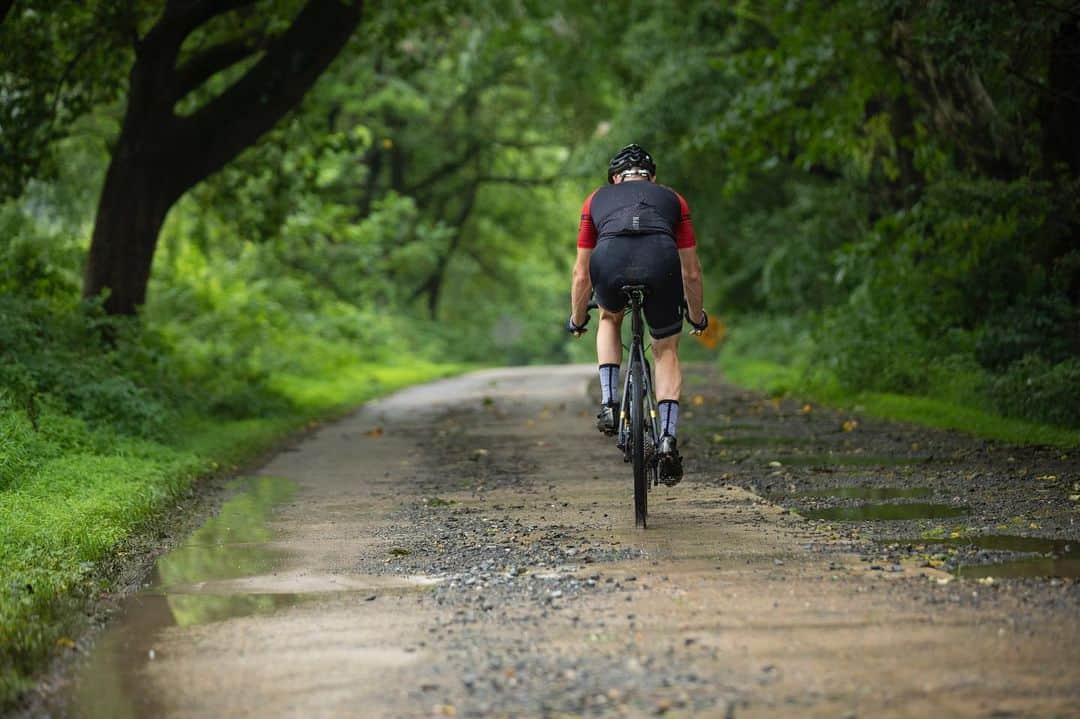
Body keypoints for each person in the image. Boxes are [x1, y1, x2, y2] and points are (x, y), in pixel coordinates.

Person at [566, 143, 707, 485]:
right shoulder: (673, 199)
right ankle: (668, 439)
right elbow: (691, 272)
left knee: (609, 318)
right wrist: (697, 315)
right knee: (666, 348)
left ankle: (610, 402)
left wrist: (577, 318)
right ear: (652, 177)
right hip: (661, 261)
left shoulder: (595, 199)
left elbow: (581, 274)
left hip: (609, 261)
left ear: (615, 178)